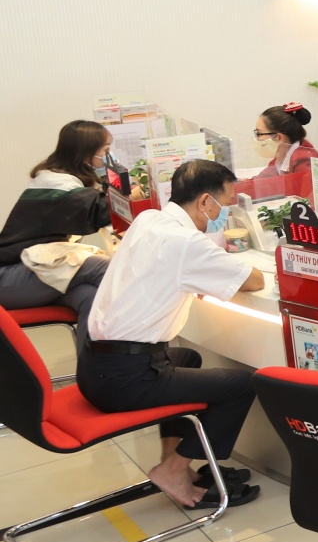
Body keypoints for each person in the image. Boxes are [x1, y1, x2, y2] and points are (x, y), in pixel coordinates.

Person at [80, 160, 264, 510]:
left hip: (95, 366)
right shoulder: (186, 242)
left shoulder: (149, 219)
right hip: (124, 380)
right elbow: (253, 280)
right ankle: (173, 470)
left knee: (186, 358)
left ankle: (174, 462)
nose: (226, 212)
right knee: (242, 385)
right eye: (227, 202)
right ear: (206, 201)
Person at [0, 121, 114, 334]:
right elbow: (99, 209)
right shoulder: (56, 184)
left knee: (91, 297)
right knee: (104, 267)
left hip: (31, 270)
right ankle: (137, 350)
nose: (108, 157)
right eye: (105, 151)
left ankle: (98, 357)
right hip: (8, 277)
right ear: (86, 152)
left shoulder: (57, 177)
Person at [234, 102, 318, 200]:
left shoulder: (304, 162)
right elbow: (260, 182)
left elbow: (307, 202)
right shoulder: (281, 156)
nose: (256, 139)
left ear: (279, 138)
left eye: (259, 134)